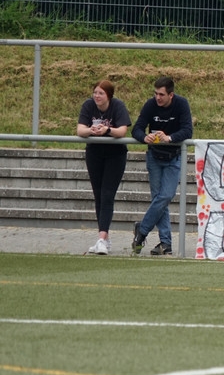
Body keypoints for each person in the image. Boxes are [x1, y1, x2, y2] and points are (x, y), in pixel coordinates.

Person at [131, 76, 193, 257]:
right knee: (159, 199)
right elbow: (136, 128)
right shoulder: (150, 105)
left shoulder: (181, 104)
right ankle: (165, 243)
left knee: (165, 196)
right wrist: (144, 137)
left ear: (171, 95)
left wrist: (169, 138)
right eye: (156, 94)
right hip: (154, 158)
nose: (157, 97)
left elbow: (188, 130)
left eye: (161, 94)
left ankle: (142, 229)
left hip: (173, 157)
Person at [76, 79, 132, 255]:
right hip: (94, 154)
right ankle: (104, 239)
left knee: (108, 194)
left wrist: (107, 130)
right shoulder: (88, 105)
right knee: (98, 195)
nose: (97, 96)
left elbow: (122, 131)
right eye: (95, 92)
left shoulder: (118, 106)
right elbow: (80, 130)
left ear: (109, 95)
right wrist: (92, 131)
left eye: (101, 93)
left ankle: (102, 238)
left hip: (115, 155)